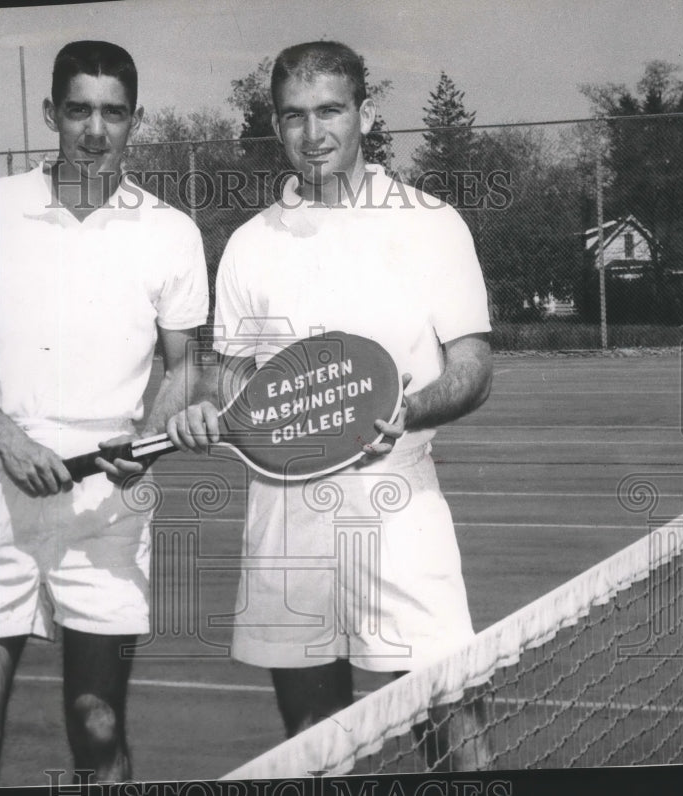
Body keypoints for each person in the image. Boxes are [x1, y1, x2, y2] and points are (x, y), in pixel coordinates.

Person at [166, 41, 492, 770]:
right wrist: (210, 411)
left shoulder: (431, 222)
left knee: (453, 724)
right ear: (275, 126)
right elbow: (236, 376)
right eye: (293, 116)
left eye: (330, 111)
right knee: (314, 742)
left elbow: (472, 367)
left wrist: (412, 409)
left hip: (399, 499)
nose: (313, 134)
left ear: (366, 114)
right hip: (285, 514)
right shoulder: (251, 245)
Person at [0, 40, 208, 786]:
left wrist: (144, 446)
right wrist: (12, 442)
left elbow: (185, 368)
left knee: (98, 728)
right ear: (51, 113)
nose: (94, 129)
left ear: (135, 120)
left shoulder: (171, 231)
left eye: (113, 113)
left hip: (109, 509)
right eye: (78, 109)